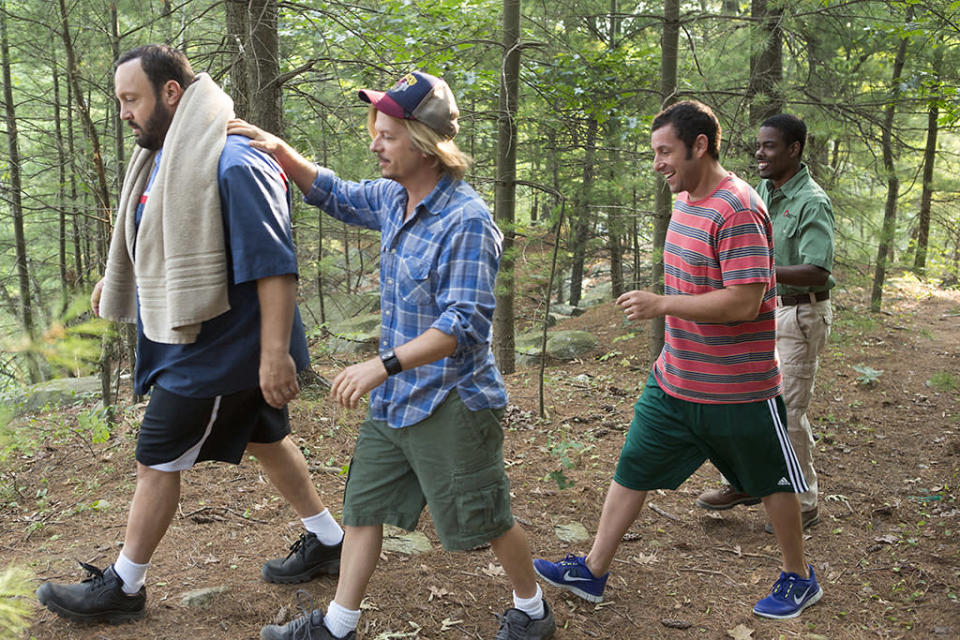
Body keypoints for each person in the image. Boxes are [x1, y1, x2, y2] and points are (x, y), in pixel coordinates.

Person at [228, 70, 555, 640]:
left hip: (453, 403)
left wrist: (382, 364)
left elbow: (465, 324)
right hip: (397, 401)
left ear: (425, 143)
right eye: (375, 133)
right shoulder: (392, 197)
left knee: (487, 518)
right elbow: (332, 191)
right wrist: (279, 149)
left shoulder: (467, 221)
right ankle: (338, 625)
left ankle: (532, 609)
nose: (374, 145)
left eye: (386, 135)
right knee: (362, 508)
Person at [35, 44, 343, 625]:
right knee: (264, 439)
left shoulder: (233, 162)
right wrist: (115, 274)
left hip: (222, 351)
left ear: (171, 93)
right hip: (195, 339)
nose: (124, 112)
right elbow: (154, 230)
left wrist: (274, 356)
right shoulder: (165, 155)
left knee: (157, 458)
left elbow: (276, 266)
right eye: (121, 100)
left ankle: (124, 587)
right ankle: (328, 538)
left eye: (133, 99)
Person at [533, 101, 822, 620]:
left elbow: (744, 301)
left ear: (700, 145)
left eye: (665, 151)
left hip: (739, 388)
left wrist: (662, 305)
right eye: (655, 153)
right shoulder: (688, 200)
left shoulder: (738, 207)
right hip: (676, 378)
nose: (658, 163)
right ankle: (593, 570)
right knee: (633, 467)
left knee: (772, 482)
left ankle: (799, 578)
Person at [696, 114, 835, 533]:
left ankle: (805, 501)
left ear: (794, 149)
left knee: (788, 411)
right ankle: (743, 483)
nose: (760, 152)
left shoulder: (812, 200)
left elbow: (818, 269)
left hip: (800, 313)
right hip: (765, 311)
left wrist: (758, 270)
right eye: (758, 145)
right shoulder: (760, 192)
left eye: (770, 146)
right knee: (747, 400)